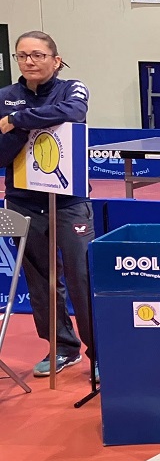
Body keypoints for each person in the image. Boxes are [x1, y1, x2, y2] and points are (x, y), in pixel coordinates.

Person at [0, 31, 96, 380]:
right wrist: (26, 127)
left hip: (70, 202)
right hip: (24, 201)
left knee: (82, 277)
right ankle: (63, 348)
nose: (29, 61)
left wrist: (17, 121)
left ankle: (100, 354)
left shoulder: (72, 88)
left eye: (38, 55)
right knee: (41, 280)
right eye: (22, 55)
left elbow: (74, 112)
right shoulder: (5, 96)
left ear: (56, 60)